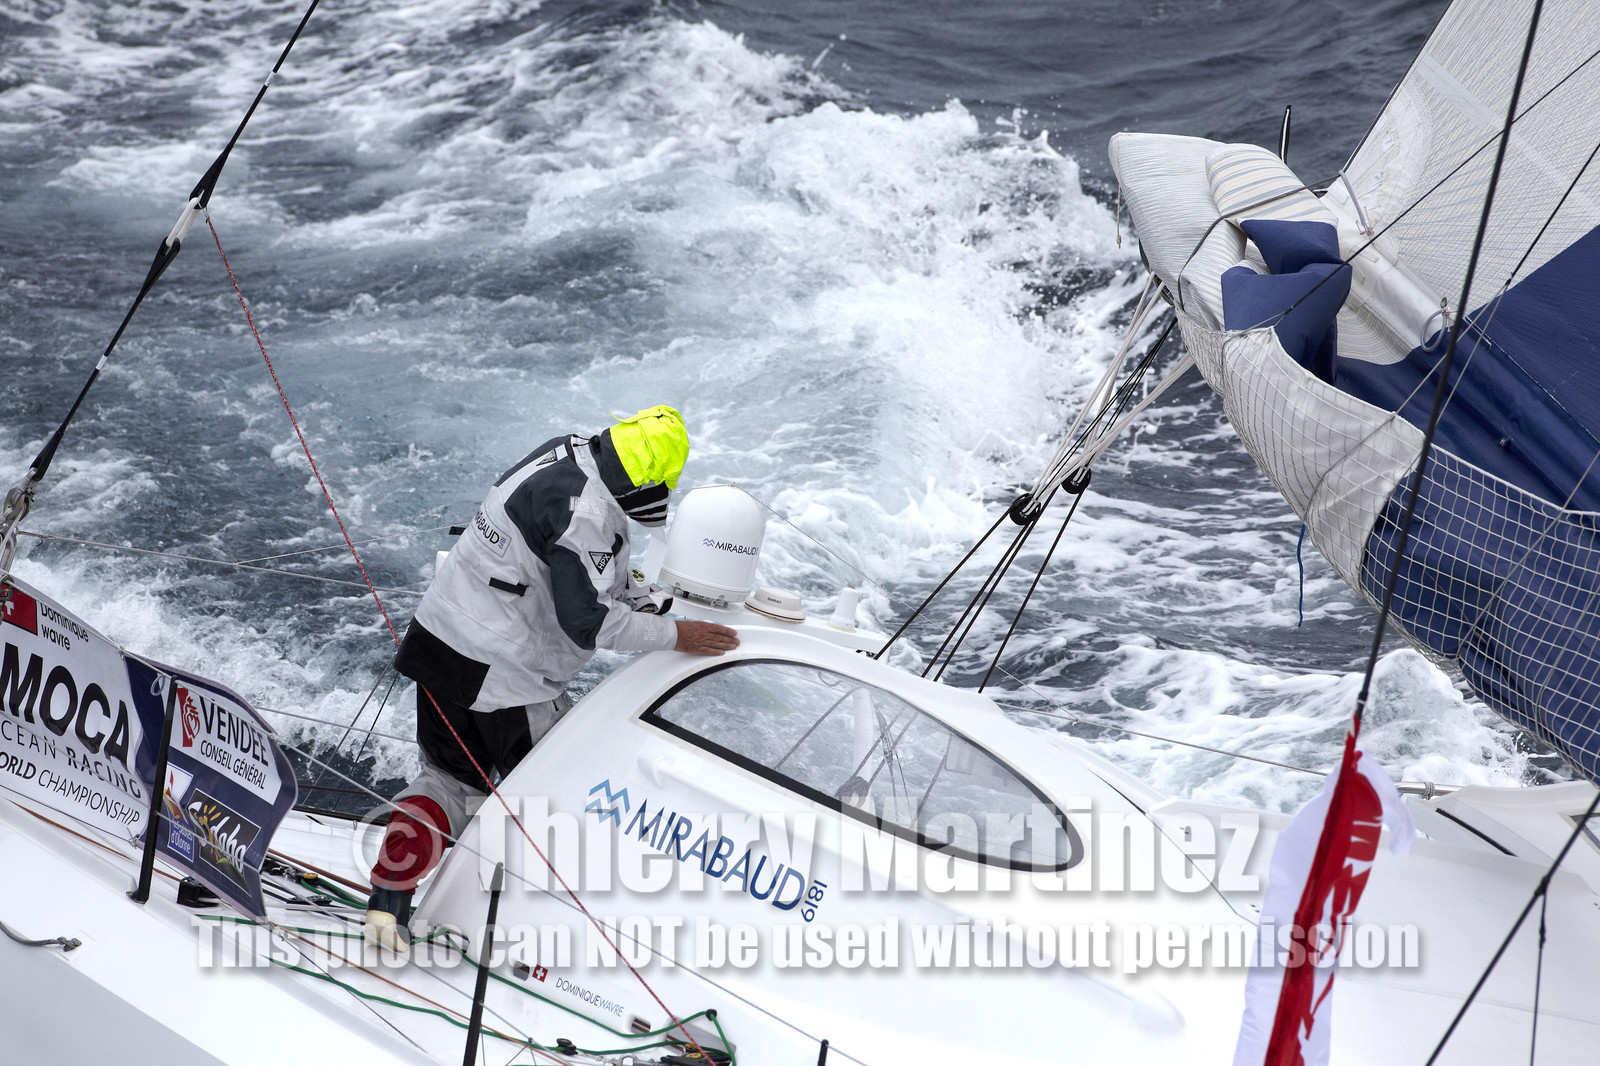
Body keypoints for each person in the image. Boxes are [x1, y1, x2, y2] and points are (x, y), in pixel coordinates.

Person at [365, 405, 738, 950]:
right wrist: (678, 636)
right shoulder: (586, 514)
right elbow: (586, 622)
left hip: (439, 644)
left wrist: (645, 600)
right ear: (645, 484)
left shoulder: (566, 451)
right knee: (557, 787)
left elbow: (581, 568)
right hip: (499, 677)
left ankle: (387, 902)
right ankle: (534, 930)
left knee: (447, 783)